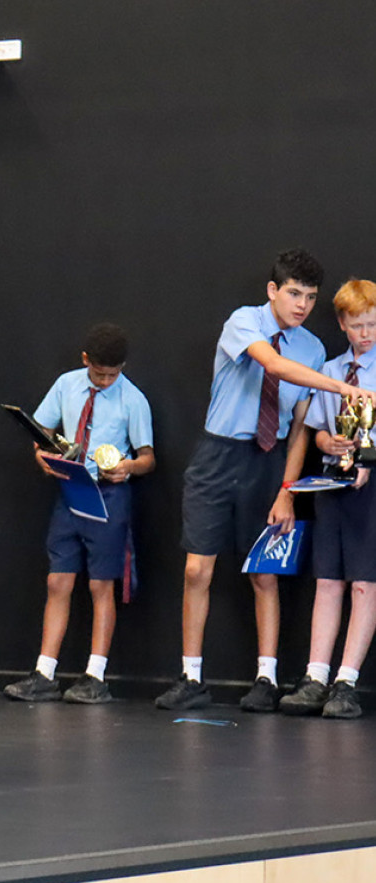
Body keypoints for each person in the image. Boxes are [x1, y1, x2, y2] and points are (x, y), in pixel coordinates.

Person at [156, 249, 373, 712]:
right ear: (273, 290)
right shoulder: (244, 322)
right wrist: (344, 388)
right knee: (197, 569)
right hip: (218, 454)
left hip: (269, 459)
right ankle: (190, 676)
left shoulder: (313, 349)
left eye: (310, 297)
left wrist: (286, 491)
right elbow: (271, 367)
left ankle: (267, 678)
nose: (301, 305)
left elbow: (299, 427)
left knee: (265, 573)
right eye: (293, 293)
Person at [3, 323, 155, 705]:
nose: (105, 380)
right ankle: (44, 672)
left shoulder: (133, 399)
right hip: (71, 491)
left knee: (101, 585)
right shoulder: (66, 385)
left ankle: (95, 674)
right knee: (58, 581)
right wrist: (42, 456)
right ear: (85, 360)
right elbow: (42, 433)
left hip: (109, 497)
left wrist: (126, 467)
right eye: (99, 372)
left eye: (113, 374)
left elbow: (148, 459)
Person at [278, 279, 376, 719]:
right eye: (357, 326)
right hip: (332, 485)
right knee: (328, 581)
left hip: (369, 488)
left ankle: (346, 682)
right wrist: (328, 442)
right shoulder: (332, 371)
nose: (366, 334)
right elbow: (316, 428)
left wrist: (367, 463)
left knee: (364, 583)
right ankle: (316, 676)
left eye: (373, 325)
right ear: (342, 324)